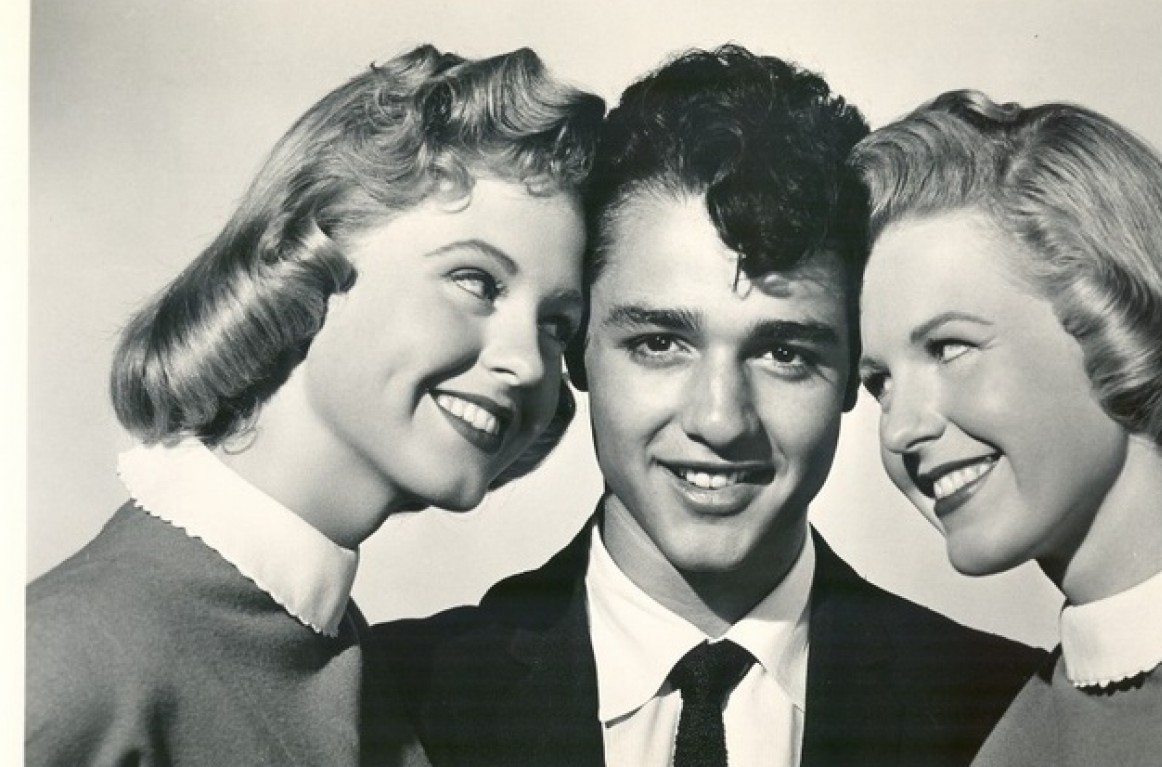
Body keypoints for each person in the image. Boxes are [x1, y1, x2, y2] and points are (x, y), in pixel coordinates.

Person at [371, 46, 1043, 767]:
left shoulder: (1002, 709)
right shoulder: (395, 699)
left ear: (854, 370)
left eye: (784, 352)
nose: (720, 420)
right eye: (661, 342)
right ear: (576, 349)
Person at [25, 44, 603, 767]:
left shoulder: (355, 667)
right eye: (477, 281)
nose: (527, 362)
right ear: (309, 251)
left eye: (557, 324)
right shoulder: (63, 669)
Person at [850, 89, 1162, 767]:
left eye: (949, 347)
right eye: (879, 383)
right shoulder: (1013, 727)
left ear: (1117, 321)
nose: (900, 427)